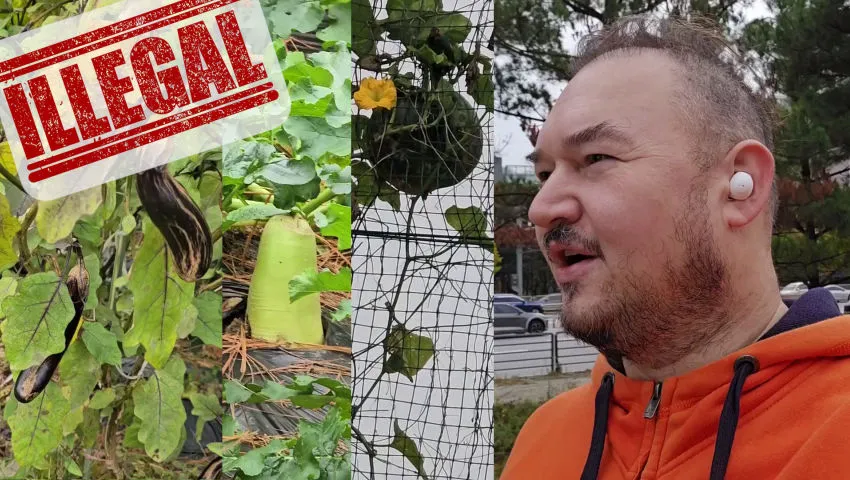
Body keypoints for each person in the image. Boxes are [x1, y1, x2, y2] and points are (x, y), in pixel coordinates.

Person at [500, 14, 850, 480]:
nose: (541, 208)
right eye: (545, 174)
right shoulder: (545, 437)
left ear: (738, 185)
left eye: (595, 158)